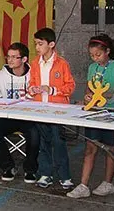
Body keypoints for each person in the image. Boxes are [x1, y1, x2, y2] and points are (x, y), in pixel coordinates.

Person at [67, 34, 114, 199]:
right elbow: (88, 88)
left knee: (110, 149)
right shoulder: (93, 68)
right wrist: (88, 96)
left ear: (107, 51)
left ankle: (108, 183)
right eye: (92, 55)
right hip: (95, 112)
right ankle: (83, 185)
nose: (95, 58)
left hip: (112, 112)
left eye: (98, 55)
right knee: (90, 147)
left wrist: (104, 94)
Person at [28, 27, 75, 190]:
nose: (37, 48)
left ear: (52, 44)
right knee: (43, 143)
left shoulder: (62, 64)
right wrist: (32, 89)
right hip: (40, 109)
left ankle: (65, 176)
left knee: (59, 142)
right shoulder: (34, 63)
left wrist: (52, 90)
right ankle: (45, 173)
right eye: (36, 44)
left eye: (40, 44)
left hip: (57, 111)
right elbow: (31, 83)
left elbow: (70, 86)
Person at [0, 42, 39, 183]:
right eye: (8, 57)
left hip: (29, 116)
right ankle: (8, 167)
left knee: (35, 133)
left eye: (14, 57)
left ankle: (30, 169)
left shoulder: (35, 74)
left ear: (24, 59)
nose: (10, 60)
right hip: (7, 117)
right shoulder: (0, 77)